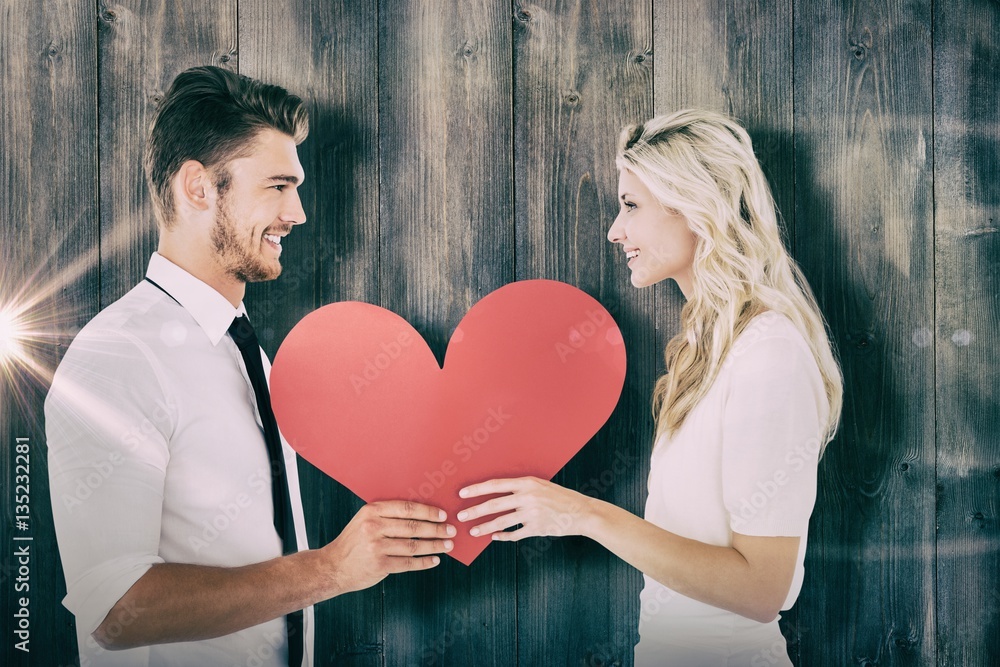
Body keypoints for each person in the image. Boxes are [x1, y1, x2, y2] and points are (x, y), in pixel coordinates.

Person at [45, 66, 455, 667]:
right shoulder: (118, 358)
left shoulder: (245, 351)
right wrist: (333, 570)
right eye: (278, 187)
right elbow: (116, 611)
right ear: (198, 187)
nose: (299, 214)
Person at [457, 110, 843, 665]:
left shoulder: (769, 356)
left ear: (695, 206)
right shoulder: (706, 347)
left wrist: (584, 515)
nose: (615, 230)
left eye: (631, 205)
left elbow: (763, 590)